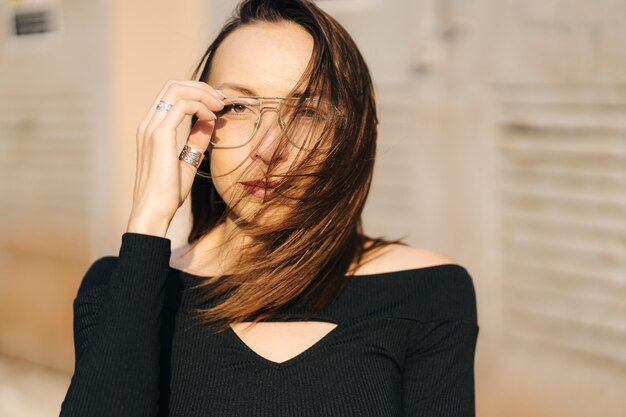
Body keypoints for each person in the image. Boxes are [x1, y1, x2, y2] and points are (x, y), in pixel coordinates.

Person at [59, 0, 479, 416]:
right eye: (238, 107)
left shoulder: (427, 290)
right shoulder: (122, 286)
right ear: (198, 125)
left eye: (308, 112)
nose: (269, 149)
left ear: (351, 137)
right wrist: (148, 221)